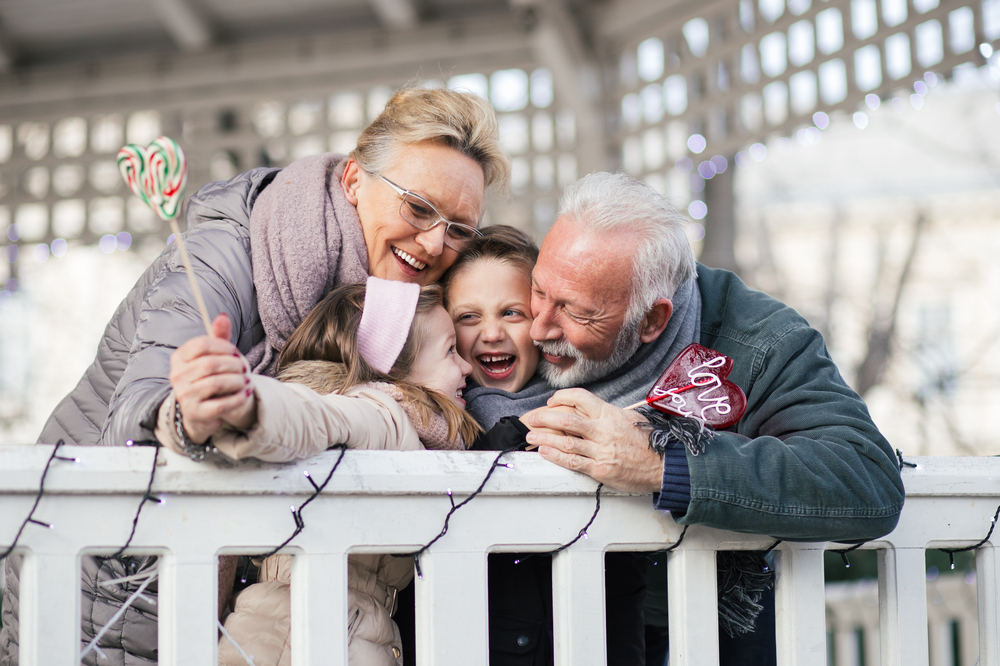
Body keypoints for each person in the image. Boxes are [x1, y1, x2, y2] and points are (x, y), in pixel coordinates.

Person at [1, 87, 509, 666]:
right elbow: (138, 406)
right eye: (418, 208)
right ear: (352, 180)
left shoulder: (399, 306)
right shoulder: (232, 250)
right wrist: (192, 408)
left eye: (459, 229)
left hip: (230, 582)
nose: (435, 242)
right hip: (107, 560)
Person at [464, 172, 905, 663]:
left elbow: (867, 477)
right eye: (540, 291)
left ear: (652, 319)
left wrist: (663, 465)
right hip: (552, 627)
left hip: (706, 630)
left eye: (577, 313)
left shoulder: (758, 340)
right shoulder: (503, 331)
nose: (541, 327)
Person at [155, 277, 476, 665]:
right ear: (394, 370)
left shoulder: (414, 431)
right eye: (450, 351)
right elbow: (314, 415)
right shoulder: (383, 414)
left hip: (330, 632)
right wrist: (245, 406)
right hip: (300, 642)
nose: (466, 366)